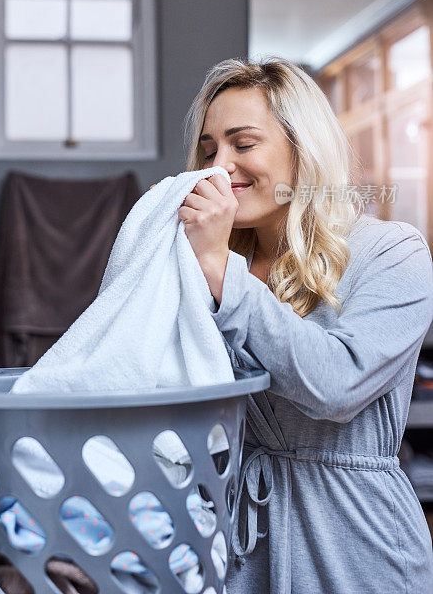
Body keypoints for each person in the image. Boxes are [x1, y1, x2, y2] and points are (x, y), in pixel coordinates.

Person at [176, 57, 433, 594]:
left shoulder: (392, 253)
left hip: (357, 545)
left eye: (242, 145)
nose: (217, 168)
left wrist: (225, 274)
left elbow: (337, 385)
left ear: (303, 150)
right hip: (241, 544)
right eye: (207, 151)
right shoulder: (206, 266)